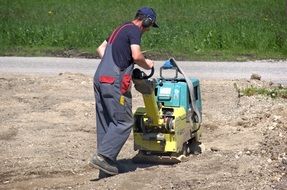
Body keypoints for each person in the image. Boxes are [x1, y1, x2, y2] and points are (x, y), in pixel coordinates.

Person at [89, 7, 159, 176]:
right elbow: (136, 56)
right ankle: (103, 157)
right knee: (123, 122)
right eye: (149, 26)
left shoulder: (119, 29)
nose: (148, 30)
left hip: (100, 78)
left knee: (106, 121)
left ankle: (106, 164)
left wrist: (114, 64)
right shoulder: (134, 31)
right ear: (146, 21)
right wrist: (147, 64)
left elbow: (101, 49)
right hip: (114, 82)